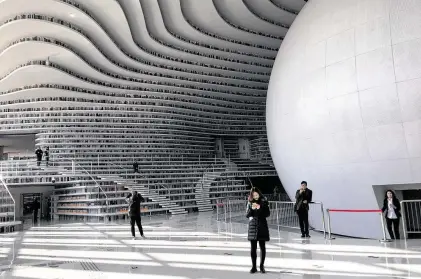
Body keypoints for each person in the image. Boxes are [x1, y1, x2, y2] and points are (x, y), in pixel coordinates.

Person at [247, 187, 270, 274]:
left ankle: (261, 266)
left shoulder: (264, 201)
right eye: (254, 195)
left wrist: (260, 207)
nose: (256, 196)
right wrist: (251, 209)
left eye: (257, 195)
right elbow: (247, 215)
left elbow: (267, 214)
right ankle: (253, 267)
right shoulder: (249, 202)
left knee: (262, 247)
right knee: (253, 248)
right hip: (253, 226)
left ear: (259, 194)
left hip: (262, 226)